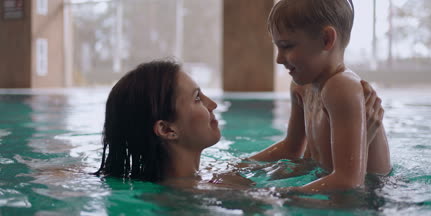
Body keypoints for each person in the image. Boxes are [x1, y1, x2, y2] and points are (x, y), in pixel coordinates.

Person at [95, 59, 385, 188]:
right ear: (167, 129)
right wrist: (364, 142)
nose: (213, 104)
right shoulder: (204, 194)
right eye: (197, 98)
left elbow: (290, 152)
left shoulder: (208, 175)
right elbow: (344, 203)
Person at [248, 0, 391, 193]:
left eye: (286, 46)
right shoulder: (301, 87)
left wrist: (279, 195)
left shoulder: (342, 87)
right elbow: (291, 147)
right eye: (277, 47)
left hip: (375, 195)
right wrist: (239, 168)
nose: (279, 59)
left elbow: (349, 182)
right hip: (335, 185)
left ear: (326, 40)